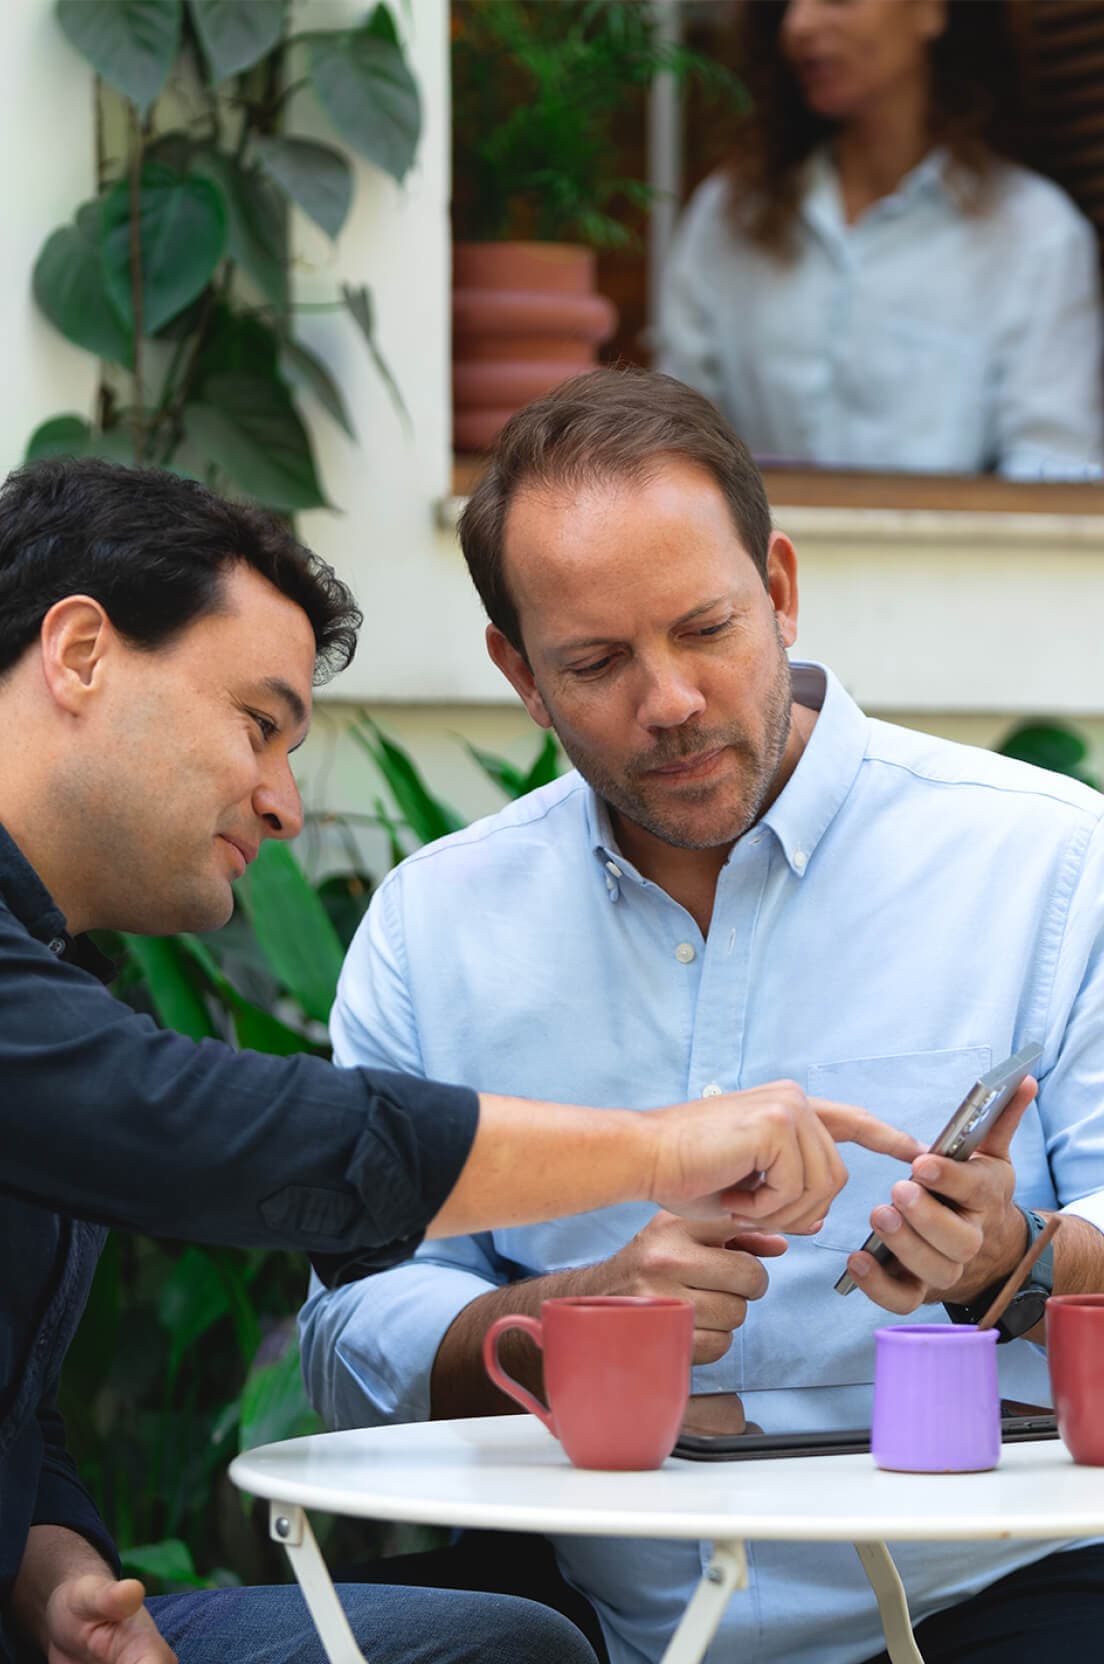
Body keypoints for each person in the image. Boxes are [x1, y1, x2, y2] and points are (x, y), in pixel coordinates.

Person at [0, 457, 915, 1664]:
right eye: (258, 724)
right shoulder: (426, 919)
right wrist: (658, 1146)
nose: (282, 803)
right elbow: (210, 1128)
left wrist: (52, 1567)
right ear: (78, 654)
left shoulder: (55, 971)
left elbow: (21, 1406)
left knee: (497, 1646)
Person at [300, 367, 1104, 1664]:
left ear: (779, 588)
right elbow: (352, 1333)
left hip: (1004, 1595)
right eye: (598, 661)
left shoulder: (1054, 863)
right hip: (577, 1602)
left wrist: (1010, 1258)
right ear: (519, 671)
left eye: (706, 628)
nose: (668, 699)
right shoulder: (436, 929)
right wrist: (577, 1313)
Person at [657, 0, 1104, 480]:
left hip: (952, 552)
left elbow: (1054, 471)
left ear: (931, 11)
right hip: (750, 553)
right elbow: (674, 442)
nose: (799, 23)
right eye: (786, 3)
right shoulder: (729, 215)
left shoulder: (1033, 233)